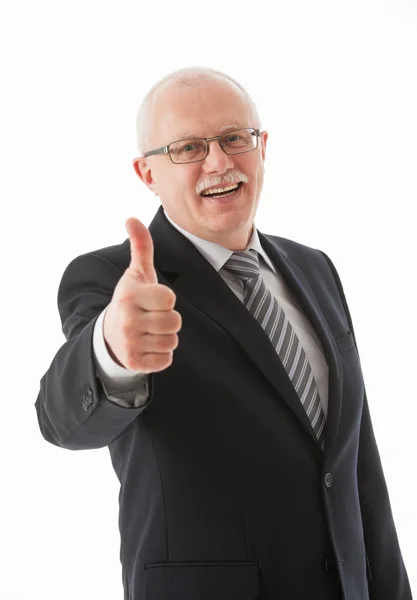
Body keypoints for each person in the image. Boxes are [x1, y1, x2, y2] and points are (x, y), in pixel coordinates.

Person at [35, 66, 413, 600]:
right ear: (147, 174)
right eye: (188, 147)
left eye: (236, 138)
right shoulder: (111, 280)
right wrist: (112, 353)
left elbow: (356, 467)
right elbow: (65, 421)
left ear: (262, 147)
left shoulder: (316, 268)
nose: (220, 162)